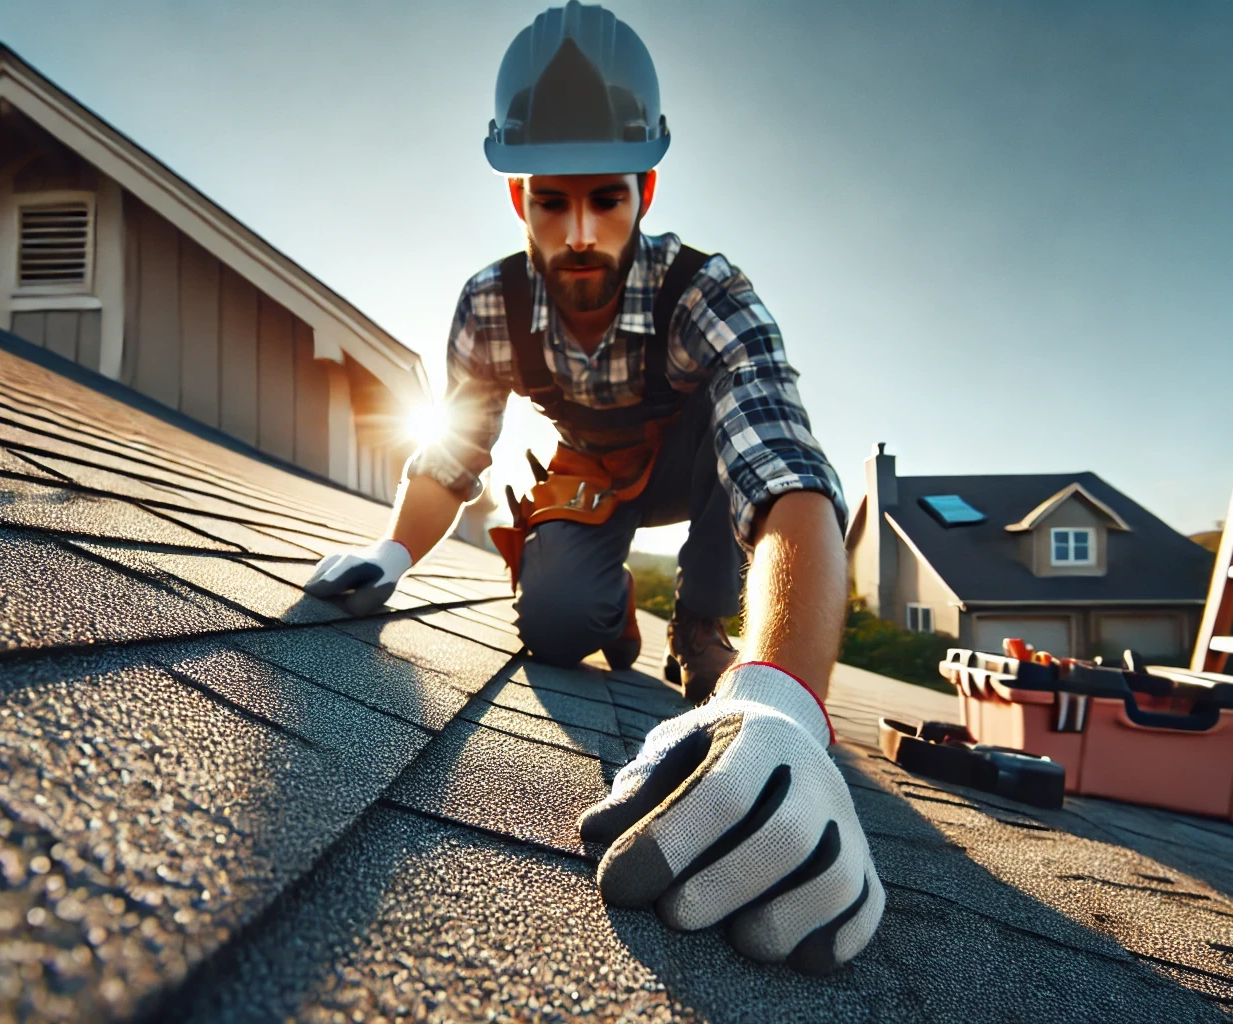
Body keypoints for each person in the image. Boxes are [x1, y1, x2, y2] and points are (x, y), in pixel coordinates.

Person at [306, 0, 884, 974]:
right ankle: (607, 601)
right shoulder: (491, 304)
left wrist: (786, 698)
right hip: (598, 476)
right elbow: (454, 451)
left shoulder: (709, 294)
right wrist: (392, 552)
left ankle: (700, 626)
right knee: (556, 625)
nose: (579, 234)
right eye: (552, 202)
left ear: (645, 188)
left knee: (741, 462)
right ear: (518, 198)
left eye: (606, 199)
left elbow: (786, 475)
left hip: (705, 471)